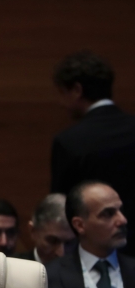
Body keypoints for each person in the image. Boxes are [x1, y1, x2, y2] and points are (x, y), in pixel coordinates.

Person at [50, 51, 135, 256]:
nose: (62, 103)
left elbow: (63, 207)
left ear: (77, 90)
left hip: (98, 254)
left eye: (63, 93)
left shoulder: (70, 142)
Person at [12, 194, 74, 265]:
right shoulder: (13, 267)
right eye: (53, 241)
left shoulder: (80, 269)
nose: (61, 253)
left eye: (69, 243)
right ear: (33, 231)